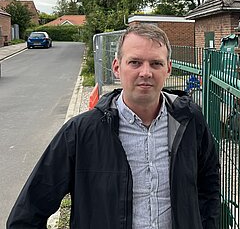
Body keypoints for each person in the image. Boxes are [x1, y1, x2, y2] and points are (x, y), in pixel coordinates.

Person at [7, 23, 220, 229]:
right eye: (135, 62)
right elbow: (27, 215)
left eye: (156, 63)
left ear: (168, 69)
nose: (146, 72)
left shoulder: (189, 120)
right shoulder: (81, 133)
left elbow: (208, 185)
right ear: (117, 68)